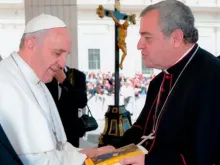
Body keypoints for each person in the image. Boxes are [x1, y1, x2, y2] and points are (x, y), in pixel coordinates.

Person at [105, 1, 220, 165]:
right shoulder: (158, 82)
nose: (139, 45)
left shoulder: (213, 78)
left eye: (147, 37)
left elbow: (203, 155)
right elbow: (144, 131)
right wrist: (112, 150)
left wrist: (148, 162)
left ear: (176, 38)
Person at [0, 13, 114, 165]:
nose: (62, 63)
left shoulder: (38, 81)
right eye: (57, 53)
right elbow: (33, 160)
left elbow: (58, 147)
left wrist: (94, 153)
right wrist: (88, 159)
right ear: (31, 44)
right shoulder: (5, 82)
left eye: (66, 55)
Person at [46, 66, 88, 147]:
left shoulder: (77, 75)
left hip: (70, 132)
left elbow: (82, 102)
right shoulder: (44, 75)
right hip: (49, 132)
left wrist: (65, 82)